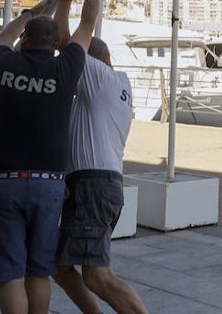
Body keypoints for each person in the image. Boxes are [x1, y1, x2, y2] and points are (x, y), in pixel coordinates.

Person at [0, 0, 100, 314]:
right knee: (39, 272)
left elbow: (4, 35)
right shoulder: (65, 68)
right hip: (48, 184)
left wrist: (35, 10)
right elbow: (88, 24)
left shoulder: (3, 63)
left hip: (4, 182)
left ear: (25, 40)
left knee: (10, 276)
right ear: (56, 44)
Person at [54, 34, 147, 314]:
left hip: (93, 186)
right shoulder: (113, 89)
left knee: (97, 276)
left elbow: (64, 39)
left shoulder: (102, 77)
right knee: (59, 265)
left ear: (91, 61)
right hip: (95, 185)